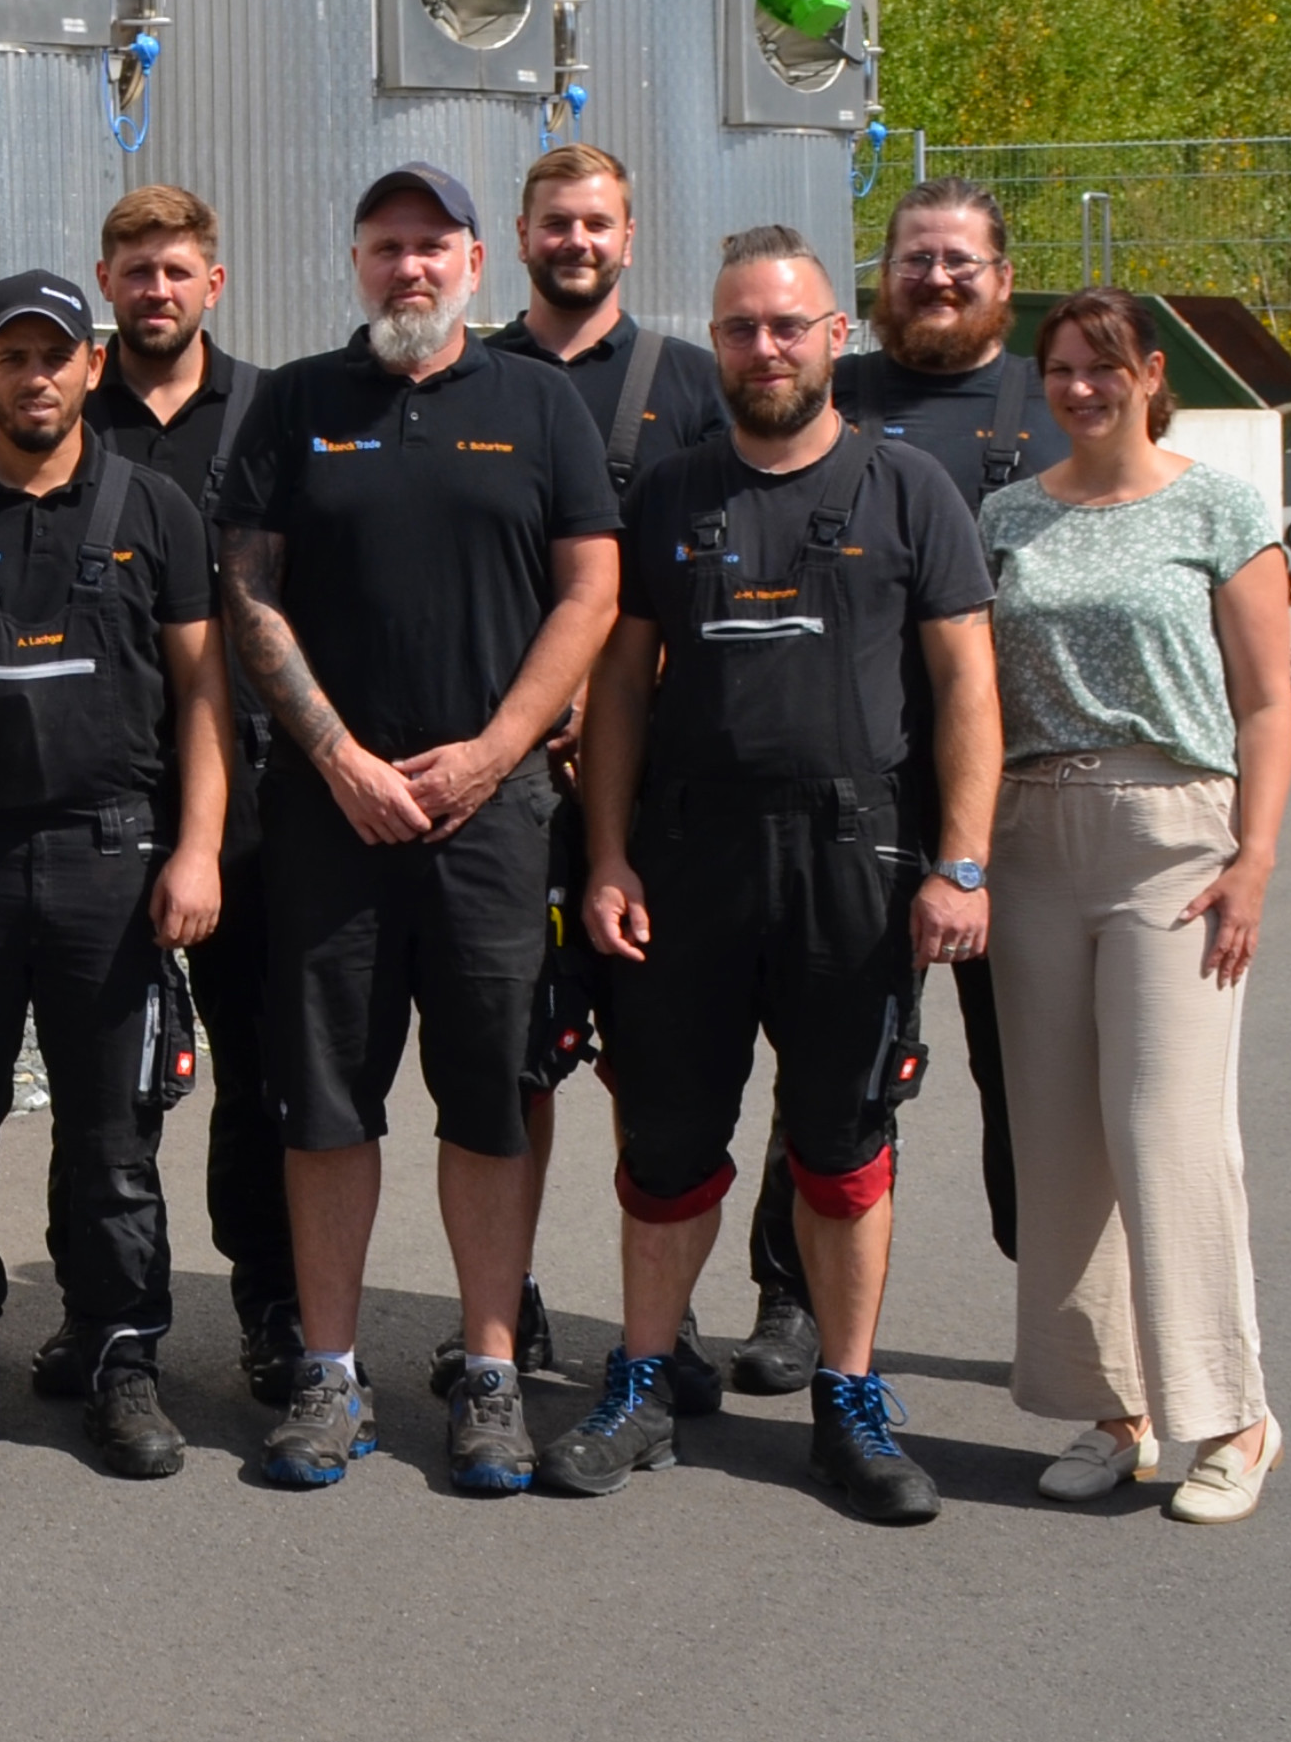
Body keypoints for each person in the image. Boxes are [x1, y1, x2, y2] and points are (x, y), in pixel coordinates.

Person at [550, 224, 997, 1524]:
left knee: (843, 1144)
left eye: (789, 325)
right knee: (668, 1141)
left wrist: (962, 863)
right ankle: (644, 1381)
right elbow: (620, 687)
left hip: (855, 858)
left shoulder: (911, 491)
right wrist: (610, 852)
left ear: (834, 337)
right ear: (717, 340)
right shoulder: (670, 492)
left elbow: (969, 688)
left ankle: (848, 1399)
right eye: (742, 327)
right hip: (690, 859)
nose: (766, 348)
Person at [215, 164, 619, 1496]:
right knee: (327, 1097)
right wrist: (335, 755)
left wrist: (496, 753)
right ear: (357, 261)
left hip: (491, 822)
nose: (410, 267)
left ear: (474, 264)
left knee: (491, 1094)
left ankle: (490, 1369)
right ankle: (331, 1373)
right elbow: (250, 591)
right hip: (332, 816)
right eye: (386, 245)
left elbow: (590, 591)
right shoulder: (297, 403)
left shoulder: (539, 405)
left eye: (433, 245)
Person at [0, 269, 229, 1480]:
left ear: (91, 365)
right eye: (13, 356)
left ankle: (118, 1356)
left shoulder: (154, 510)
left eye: (56, 355)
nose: (36, 376)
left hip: (110, 865)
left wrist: (198, 847)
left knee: (112, 1138)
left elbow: (202, 689)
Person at [981, 287, 1290, 1524]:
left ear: (1152, 374)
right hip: (1030, 833)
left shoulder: (1220, 509)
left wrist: (1255, 857)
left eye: (1102, 366)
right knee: (1059, 1138)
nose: (1079, 387)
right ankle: (1115, 1410)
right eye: (1060, 367)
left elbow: (1265, 700)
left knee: (1167, 1125)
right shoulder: (1008, 514)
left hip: (1173, 835)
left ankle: (1233, 1414)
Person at [469, 142, 734, 1408]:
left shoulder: (689, 384)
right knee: (514, 1060)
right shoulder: (469, 374)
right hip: (509, 785)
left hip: (652, 785)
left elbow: (726, 563)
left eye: (596, 222)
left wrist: (614, 702)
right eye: (555, 222)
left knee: (654, 1064)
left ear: (629, 236)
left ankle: (657, 1320)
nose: (575, 241)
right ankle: (504, 1301)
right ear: (518, 236)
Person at [71, 183, 303, 1405]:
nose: (155, 289)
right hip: (98, 781)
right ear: (104, 282)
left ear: (214, 282)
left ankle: (271, 1303)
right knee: (106, 1076)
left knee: (258, 1065)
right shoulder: (64, 405)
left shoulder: (271, 412)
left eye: (176, 271)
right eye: (135, 270)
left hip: (253, 797)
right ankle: (108, 1316)